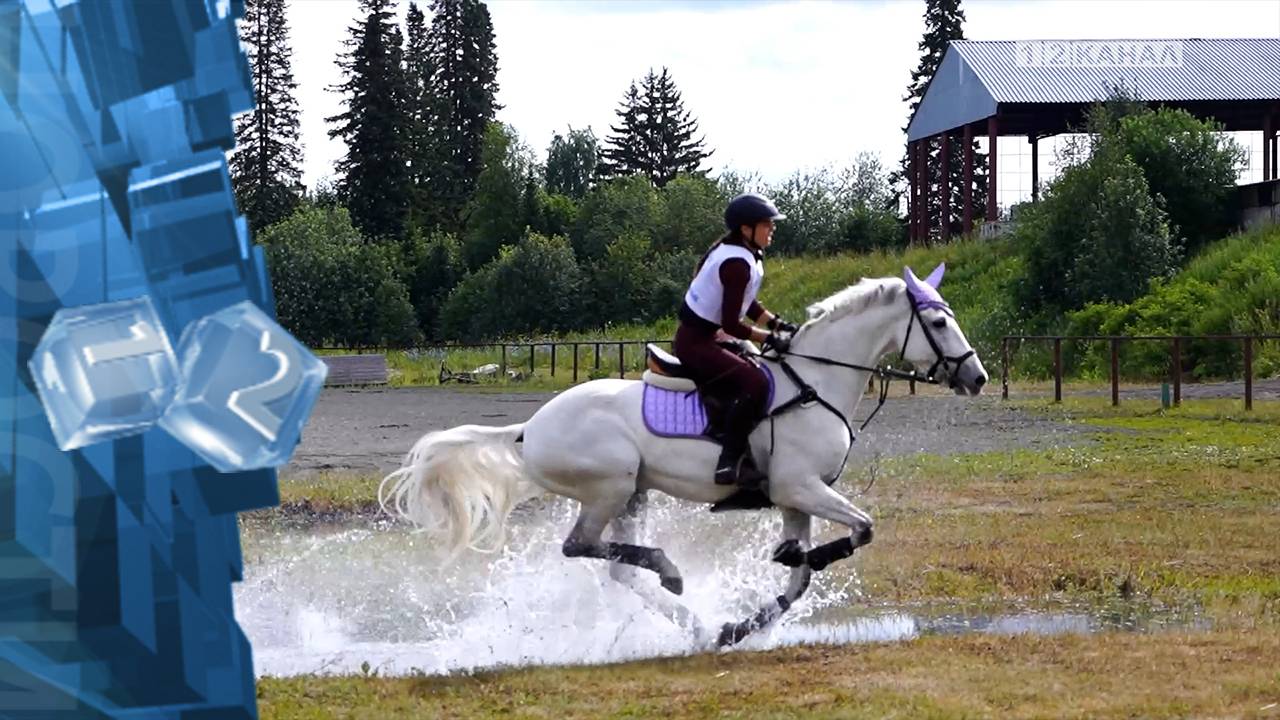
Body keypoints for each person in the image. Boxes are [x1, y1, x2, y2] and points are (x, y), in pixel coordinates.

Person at [672, 193, 799, 487]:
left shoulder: (744, 255)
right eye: (766, 224)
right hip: (696, 343)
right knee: (756, 382)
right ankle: (729, 460)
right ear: (746, 229)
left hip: (709, 336)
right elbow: (732, 323)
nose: (772, 229)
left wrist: (776, 322)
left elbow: (748, 303)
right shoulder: (736, 263)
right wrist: (769, 337)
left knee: (761, 369)